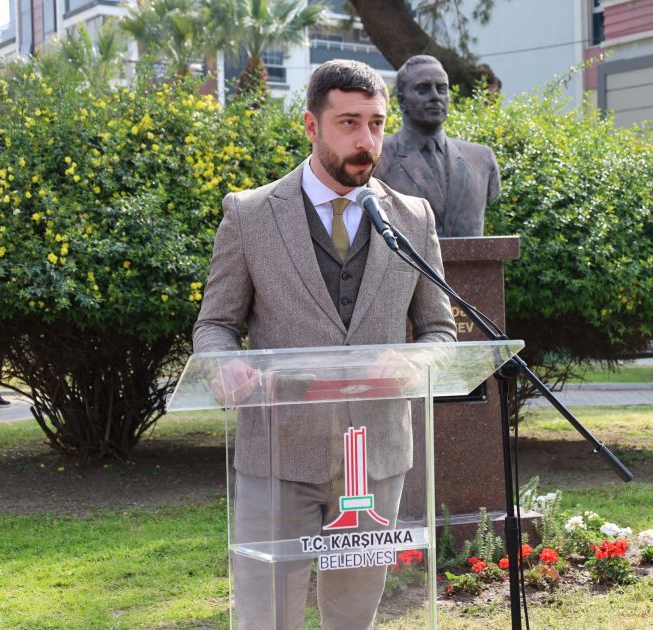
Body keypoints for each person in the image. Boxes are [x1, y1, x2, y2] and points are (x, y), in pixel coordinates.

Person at [193, 59, 456, 629]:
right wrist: (223, 366)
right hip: (277, 453)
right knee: (266, 618)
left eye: (376, 124)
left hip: (375, 458)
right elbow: (214, 324)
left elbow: (440, 331)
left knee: (352, 618)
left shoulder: (412, 218)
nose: (367, 141)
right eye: (349, 123)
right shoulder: (250, 214)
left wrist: (413, 363)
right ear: (311, 126)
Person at [374, 54, 500, 237]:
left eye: (441, 89)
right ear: (401, 101)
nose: (435, 96)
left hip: (471, 256)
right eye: (423, 89)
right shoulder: (376, 157)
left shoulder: (482, 159)